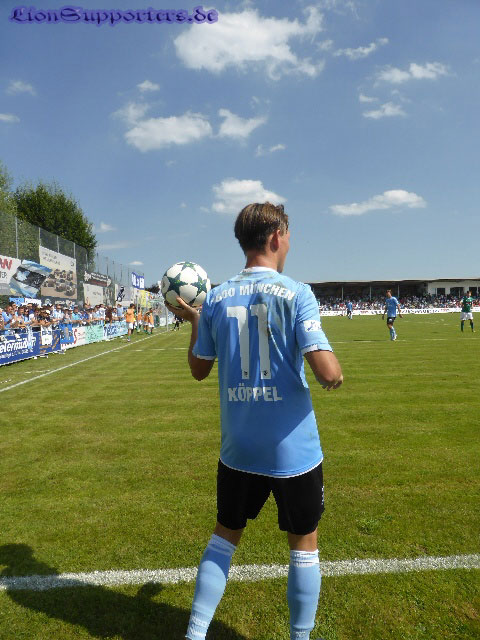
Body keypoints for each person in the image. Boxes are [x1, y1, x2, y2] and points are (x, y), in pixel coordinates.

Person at [167, 202, 343, 640]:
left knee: (224, 538)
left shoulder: (215, 298)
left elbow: (198, 370)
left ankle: (194, 634)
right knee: (303, 544)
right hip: (292, 451)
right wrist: (335, 374)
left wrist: (196, 321)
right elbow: (327, 372)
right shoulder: (298, 293)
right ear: (276, 236)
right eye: (289, 236)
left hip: (239, 448)